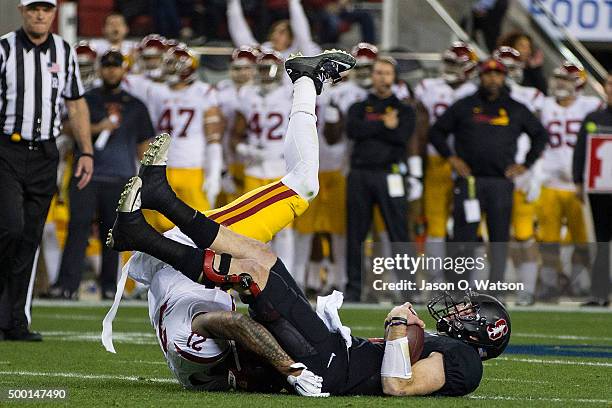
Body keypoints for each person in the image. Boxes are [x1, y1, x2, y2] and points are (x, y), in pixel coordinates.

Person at [106, 52, 511, 397]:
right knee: (260, 254)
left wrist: (397, 324)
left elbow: (396, 384)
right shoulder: (452, 352)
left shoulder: (464, 363)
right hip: (328, 348)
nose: (459, 308)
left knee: (292, 200)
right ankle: (150, 222)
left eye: (468, 310)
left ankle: (304, 82)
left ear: (484, 332)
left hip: (328, 360)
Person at [102, 50, 356, 393]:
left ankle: (306, 80)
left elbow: (233, 323)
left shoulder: (201, 354)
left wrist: (288, 367)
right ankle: (307, 81)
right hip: (174, 261)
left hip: (191, 248)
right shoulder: (191, 372)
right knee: (290, 204)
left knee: (302, 186)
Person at [0, 0, 92, 341]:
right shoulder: (4, 49)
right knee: (9, 227)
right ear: (22, 11)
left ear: (53, 13)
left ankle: (15, 321)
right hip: (7, 148)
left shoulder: (64, 52)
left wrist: (86, 151)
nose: (40, 15)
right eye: (34, 9)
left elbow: (76, 102)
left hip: (45, 153)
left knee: (30, 237)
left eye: (46, 9)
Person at [429, 59, 548, 294]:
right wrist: (451, 158)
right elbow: (436, 132)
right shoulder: (464, 105)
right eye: (488, 74)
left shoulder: (515, 108)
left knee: (499, 239)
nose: (493, 79)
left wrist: (526, 164)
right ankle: (457, 289)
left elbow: (540, 134)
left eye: (497, 75)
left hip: (500, 183)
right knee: (464, 237)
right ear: (480, 77)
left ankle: (495, 290)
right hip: (469, 182)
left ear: (504, 78)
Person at [46, 50, 155, 300]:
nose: (111, 71)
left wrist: (145, 178)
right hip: (87, 175)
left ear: (123, 69)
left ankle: (109, 286)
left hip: (120, 177)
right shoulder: (87, 98)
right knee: (77, 229)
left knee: (113, 235)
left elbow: (143, 145)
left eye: (116, 66)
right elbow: (67, 127)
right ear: (100, 69)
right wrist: (98, 128)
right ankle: (67, 285)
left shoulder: (136, 105)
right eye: (107, 66)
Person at [344, 56, 418, 302]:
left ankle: (408, 288)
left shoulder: (405, 108)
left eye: (387, 73)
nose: (382, 77)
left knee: (399, 232)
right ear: (372, 75)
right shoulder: (358, 106)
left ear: (394, 77)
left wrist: (378, 129)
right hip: (361, 174)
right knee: (356, 233)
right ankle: (355, 287)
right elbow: (353, 131)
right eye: (378, 72)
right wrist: (385, 126)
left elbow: (402, 136)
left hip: (390, 173)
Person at [538, 62, 603, 303]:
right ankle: (549, 283)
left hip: (581, 185)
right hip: (550, 182)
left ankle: (577, 283)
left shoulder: (591, 106)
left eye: (566, 79)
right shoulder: (544, 105)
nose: (560, 84)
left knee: (583, 240)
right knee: (548, 240)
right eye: (558, 79)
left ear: (579, 83)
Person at [415, 41, 479, 284]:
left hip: (469, 164)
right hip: (436, 160)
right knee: (436, 224)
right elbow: (420, 128)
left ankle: (471, 280)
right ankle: (435, 281)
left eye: (456, 63)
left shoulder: (475, 93)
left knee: (471, 223)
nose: (450, 67)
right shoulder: (428, 87)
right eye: (449, 62)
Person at [232, 49, 296, 275]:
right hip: (254, 167)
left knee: (284, 228)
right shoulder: (247, 94)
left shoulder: (290, 94)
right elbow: (236, 135)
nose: (267, 73)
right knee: (250, 226)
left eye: (271, 68)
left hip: (281, 168)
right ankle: (252, 273)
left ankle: (288, 274)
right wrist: (246, 149)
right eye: (262, 68)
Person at [147, 44, 224, 231]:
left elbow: (213, 137)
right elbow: (147, 133)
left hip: (193, 167)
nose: (168, 68)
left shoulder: (204, 92)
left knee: (199, 227)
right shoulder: (155, 91)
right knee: (157, 226)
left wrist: (214, 172)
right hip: (162, 166)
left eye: (173, 64)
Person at [492, 46, 545, 306]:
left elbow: (539, 137)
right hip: (493, 175)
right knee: (492, 237)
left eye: (513, 68)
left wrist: (533, 171)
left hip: (522, 174)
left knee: (524, 235)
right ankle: (492, 288)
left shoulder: (530, 96)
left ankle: (527, 289)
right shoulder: (482, 97)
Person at [573, 72, 612, 307]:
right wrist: (578, 180)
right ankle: (599, 293)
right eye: (609, 83)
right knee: (602, 244)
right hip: (599, 191)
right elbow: (580, 152)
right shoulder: (593, 117)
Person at [216, 46, 258, 205]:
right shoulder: (221, 90)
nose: (242, 72)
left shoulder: (261, 92)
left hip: (252, 156)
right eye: (237, 68)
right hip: (227, 155)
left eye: (247, 67)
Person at [227, 0, 320, 59]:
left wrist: (294, 2)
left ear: (292, 38)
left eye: (282, 32)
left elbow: (301, 31)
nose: (275, 35)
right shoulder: (264, 52)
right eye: (274, 31)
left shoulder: (302, 51)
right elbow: (240, 34)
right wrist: (233, 3)